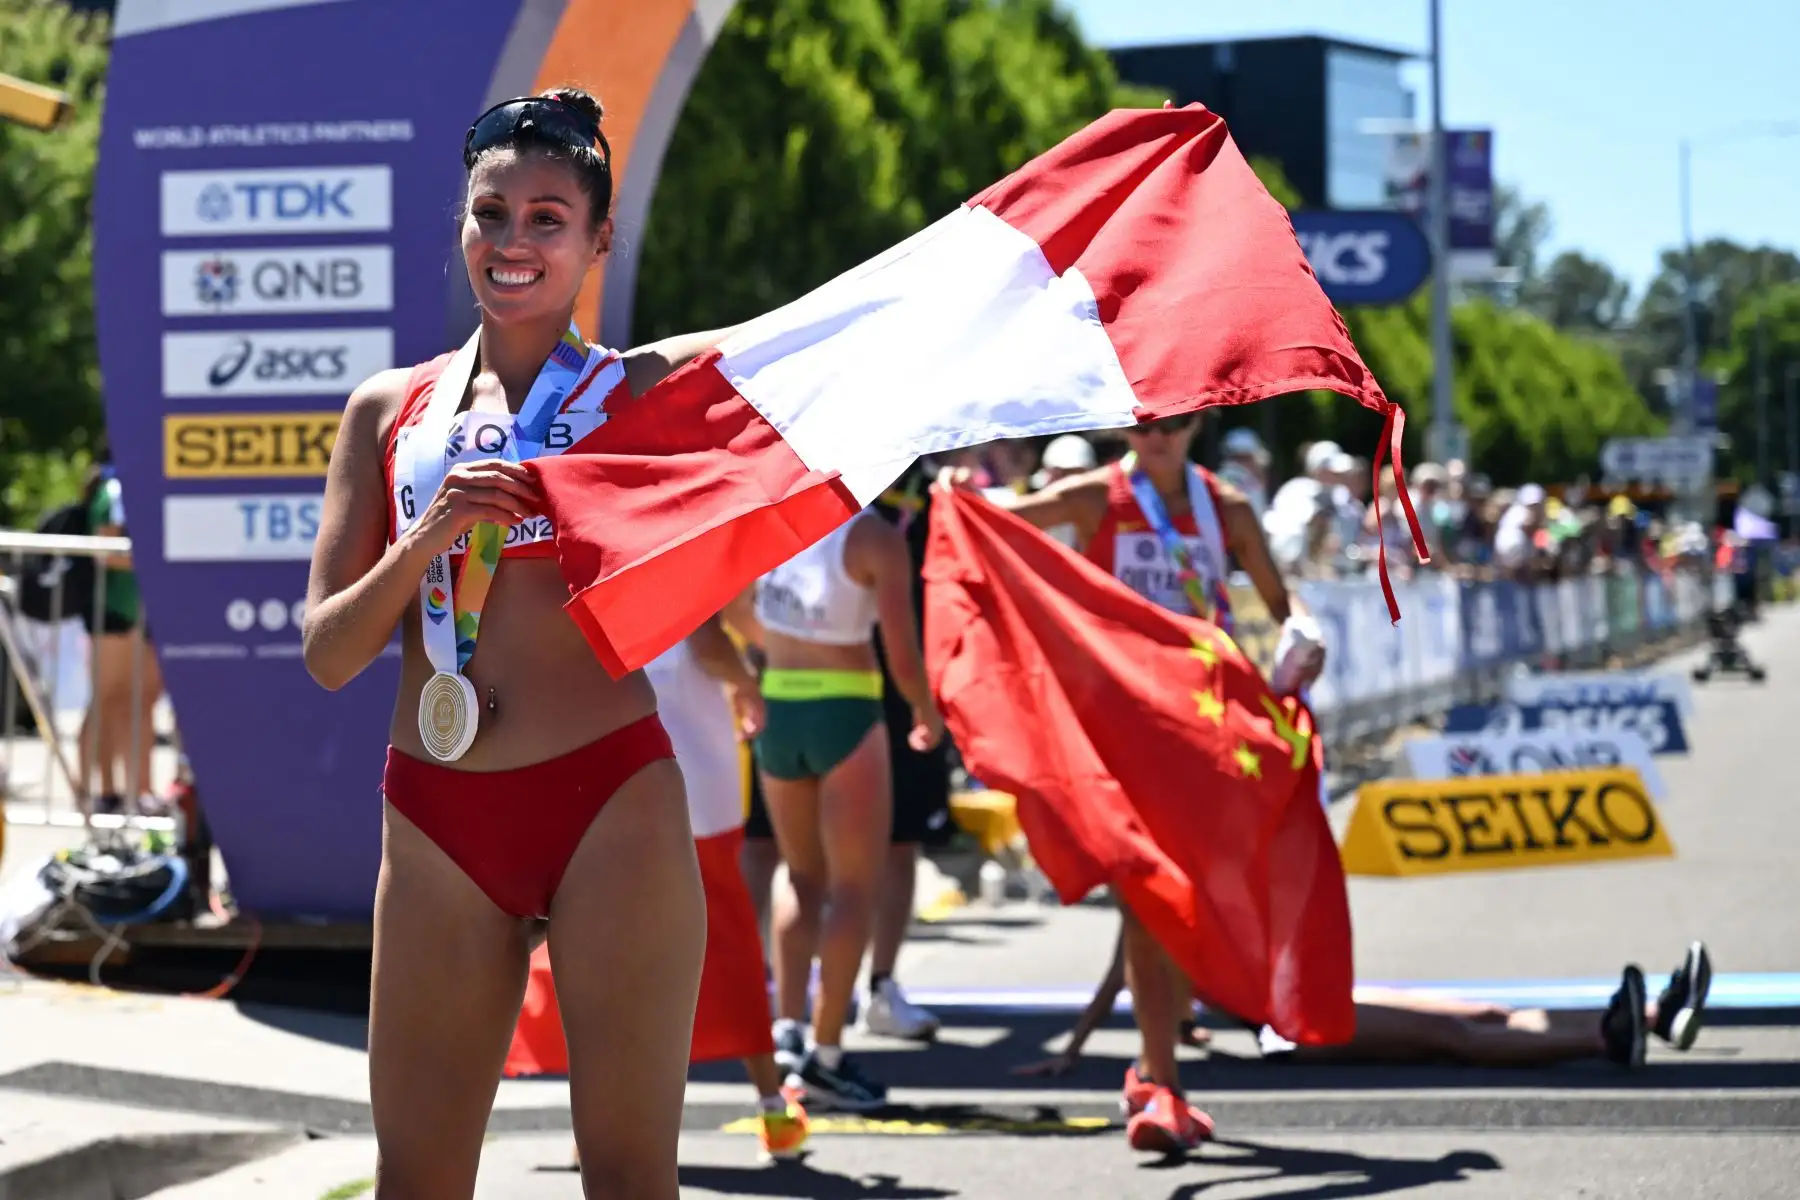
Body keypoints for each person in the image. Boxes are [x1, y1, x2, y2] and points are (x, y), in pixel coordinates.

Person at [303, 88, 746, 1198]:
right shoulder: (387, 410)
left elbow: (825, 355)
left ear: (599, 241)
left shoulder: (640, 395)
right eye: (489, 213)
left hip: (612, 805)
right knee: (416, 1180)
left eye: (548, 219)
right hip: (439, 813)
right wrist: (434, 534)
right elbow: (327, 650)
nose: (512, 243)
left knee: (631, 1180)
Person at [948, 411, 1326, 1155]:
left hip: (1203, 733)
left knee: (1190, 900)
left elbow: (1284, 606)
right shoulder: (1096, 495)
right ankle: (1161, 1084)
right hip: (1121, 732)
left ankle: (1152, 1067)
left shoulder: (1229, 508)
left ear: (1200, 423)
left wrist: (1305, 634)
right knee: (1152, 901)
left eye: (1176, 423)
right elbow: (992, 522)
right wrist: (966, 491)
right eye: (1145, 422)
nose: (1159, 435)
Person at [736, 502, 945, 1111]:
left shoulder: (766, 516)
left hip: (780, 704)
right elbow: (902, 655)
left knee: (798, 875)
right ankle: (826, 1054)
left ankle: (787, 1032)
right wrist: (927, 713)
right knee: (855, 887)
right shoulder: (875, 535)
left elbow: (735, 609)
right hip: (847, 707)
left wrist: (775, 647)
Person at [1018, 939, 1712, 1075]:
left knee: (1483, 1012)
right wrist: (1073, 1053)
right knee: (1454, 1039)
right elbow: (1123, 981)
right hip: (1292, 1024)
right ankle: (1605, 1038)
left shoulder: (1203, 866)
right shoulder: (1157, 903)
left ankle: (1654, 1015)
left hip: (1309, 995)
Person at [640, 616, 810, 1163]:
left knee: (623, 960)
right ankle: (772, 1106)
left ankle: (597, 1128)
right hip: (693, 787)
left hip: (620, 785)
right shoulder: (675, 538)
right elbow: (707, 639)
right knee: (727, 943)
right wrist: (746, 682)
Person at [77, 457, 164, 819]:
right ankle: (97, 790)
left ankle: (141, 791)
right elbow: (106, 553)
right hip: (112, 611)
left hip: (147, 611)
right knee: (107, 698)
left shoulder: (151, 487)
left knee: (142, 701)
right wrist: (158, 559)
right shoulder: (114, 490)